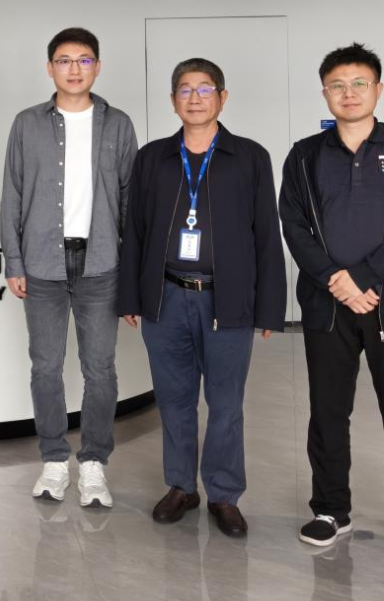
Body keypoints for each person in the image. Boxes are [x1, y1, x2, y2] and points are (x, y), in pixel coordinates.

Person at [280, 43, 384, 570]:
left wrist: (364, 278)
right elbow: (294, 227)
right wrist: (337, 281)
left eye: (359, 84)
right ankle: (330, 510)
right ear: (324, 92)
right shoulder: (304, 155)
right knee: (328, 412)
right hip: (328, 306)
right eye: (337, 85)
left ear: (378, 89)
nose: (348, 94)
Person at [118, 58, 285, 538]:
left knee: (226, 404)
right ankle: (180, 487)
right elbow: (135, 230)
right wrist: (130, 296)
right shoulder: (152, 157)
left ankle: (224, 494)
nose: (195, 98)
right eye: (185, 90)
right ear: (173, 100)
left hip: (227, 301)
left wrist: (269, 306)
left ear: (222, 98)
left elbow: (266, 234)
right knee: (174, 400)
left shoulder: (249, 157)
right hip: (166, 297)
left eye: (205, 89)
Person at [1, 27, 139, 507]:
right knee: (45, 366)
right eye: (64, 60)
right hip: (42, 263)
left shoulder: (118, 124)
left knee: (100, 369)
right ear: (50, 68)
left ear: (97, 67)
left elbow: (130, 200)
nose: (74, 69)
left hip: (101, 263)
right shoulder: (27, 123)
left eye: (83, 60)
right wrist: (13, 260)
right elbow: (13, 193)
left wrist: (132, 271)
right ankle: (55, 460)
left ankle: (95, 463)